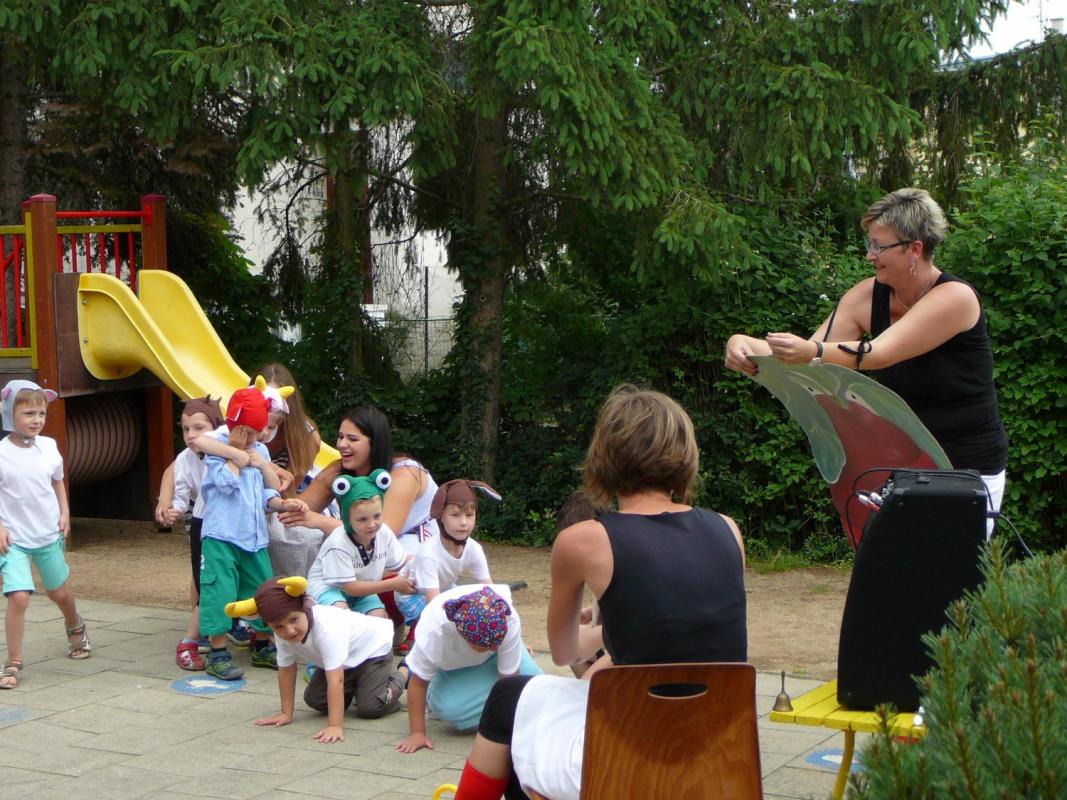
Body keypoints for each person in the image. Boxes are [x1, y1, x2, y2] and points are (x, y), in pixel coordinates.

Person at [450, 385, 747, 800]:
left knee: (508, 698)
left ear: (604, 455)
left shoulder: (583, 540)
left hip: (627, 760)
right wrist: (626, 625)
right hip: (716, 757)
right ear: (686, 454)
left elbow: (563, 652)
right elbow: (691, 629)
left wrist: (603, 630)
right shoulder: (728, 529)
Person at [725, 187, 1008, 526]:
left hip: (966, 466)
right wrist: (744, 344)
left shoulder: (956, 298)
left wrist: (814, 352)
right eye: (869, 245)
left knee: (950, 560)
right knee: (891, 559)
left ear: (914, 249)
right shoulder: (866, 296)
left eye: (878, 246)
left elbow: (880, 353)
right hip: (905, 464)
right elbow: (805, 356)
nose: (870, 256)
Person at [280, 405, 439, 652]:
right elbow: (298, 511)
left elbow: (380, 531)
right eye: (340, 437)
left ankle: (421, 622)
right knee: (299, 537)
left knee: (394, 558)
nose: (342, 445)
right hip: (369, 553)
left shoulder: (405, 473)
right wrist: (291, 477)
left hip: (411, 541)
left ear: (375, 443)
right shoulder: (339, 471)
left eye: (352, 439)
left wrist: (320, 521)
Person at [195, 382, 309, 680]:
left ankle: (261, 644)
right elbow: (224, 484)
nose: (259, 437)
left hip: (254, 537)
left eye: (261, 432)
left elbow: (265, 492)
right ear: (237, 428)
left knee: (263, 589)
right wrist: (235, 454)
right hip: (221, 537)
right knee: (219, 590)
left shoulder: (259, 450)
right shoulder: (218, 450)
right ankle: (217, 652)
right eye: (253, 432)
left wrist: (281, 504)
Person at [229, 575, 406, 744]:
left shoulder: (327, 626)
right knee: (315, 700)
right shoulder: (282, 634)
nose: (289, 630)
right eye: (279, 626)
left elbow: (336, 680)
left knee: (370, 707)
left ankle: (405, 671)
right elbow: (286, 669)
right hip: (343, 661)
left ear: (304, 607)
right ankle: (361, 685)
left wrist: (335, 726)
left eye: (294, 619)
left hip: (373, 649)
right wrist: (286, 713)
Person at [0, 380, 90, 690]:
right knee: (19, 596)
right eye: (28, 413)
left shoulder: (49, 446)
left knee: (58, 592)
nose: (37, 420)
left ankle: (75, 625)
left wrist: (65, 512)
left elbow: (57, 481)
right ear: (10, 413)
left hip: (48, 533)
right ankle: (14, 662)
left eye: (41, 413)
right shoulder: (1, 453)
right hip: (13, 539)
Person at [395, 584, 543, 754]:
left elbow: (508, 683)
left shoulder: (506, 616)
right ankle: (435, 684)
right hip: (452, 667)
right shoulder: (433, 632)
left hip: (490, 658)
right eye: (488, 646)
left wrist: (507, 727)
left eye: (498, 643)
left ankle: (517, 651)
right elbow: (419, 683)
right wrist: (417, 733)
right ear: (464, 637)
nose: (495, 648)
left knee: (534, 686)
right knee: (450, 709)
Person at [155, 396, 226, 671]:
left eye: (198, 428)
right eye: (186, 429)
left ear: (217, 428)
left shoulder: (227, 452)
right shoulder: (185, 459)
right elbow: (182, 494)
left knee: (233, 581)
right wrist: (173, 509)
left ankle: (237, 629)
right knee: (205, 581)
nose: (191, 435)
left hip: (231, 525)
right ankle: (190, 641)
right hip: (203, 524)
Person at [305, 469, 415, 618]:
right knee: (340, 613)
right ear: (347, 519)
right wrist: (393, 584)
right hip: (329, 587)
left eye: (377, 516)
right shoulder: (339, 542)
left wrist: (425, 560)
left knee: (379, 618)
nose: (372, 524)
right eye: (362, 519)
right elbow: (351, 588)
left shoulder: (384, 533)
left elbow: (402, 561)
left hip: (362, 587)